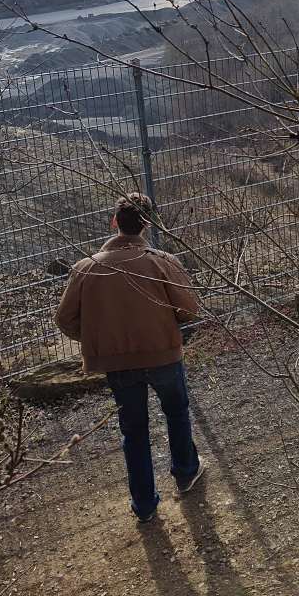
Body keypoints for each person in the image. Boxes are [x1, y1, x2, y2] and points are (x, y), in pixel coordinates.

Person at [55, 192, 204, 521]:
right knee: (176, 412)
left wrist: (99, 336)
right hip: (164, 354)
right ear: (147, 225)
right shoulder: (162, 261)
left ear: (114, 223)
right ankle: (185, 471)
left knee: (133, 431)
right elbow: (189, 309)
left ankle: (145, 505)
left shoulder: (87, 268)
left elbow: (65, 320)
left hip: (118, 363)